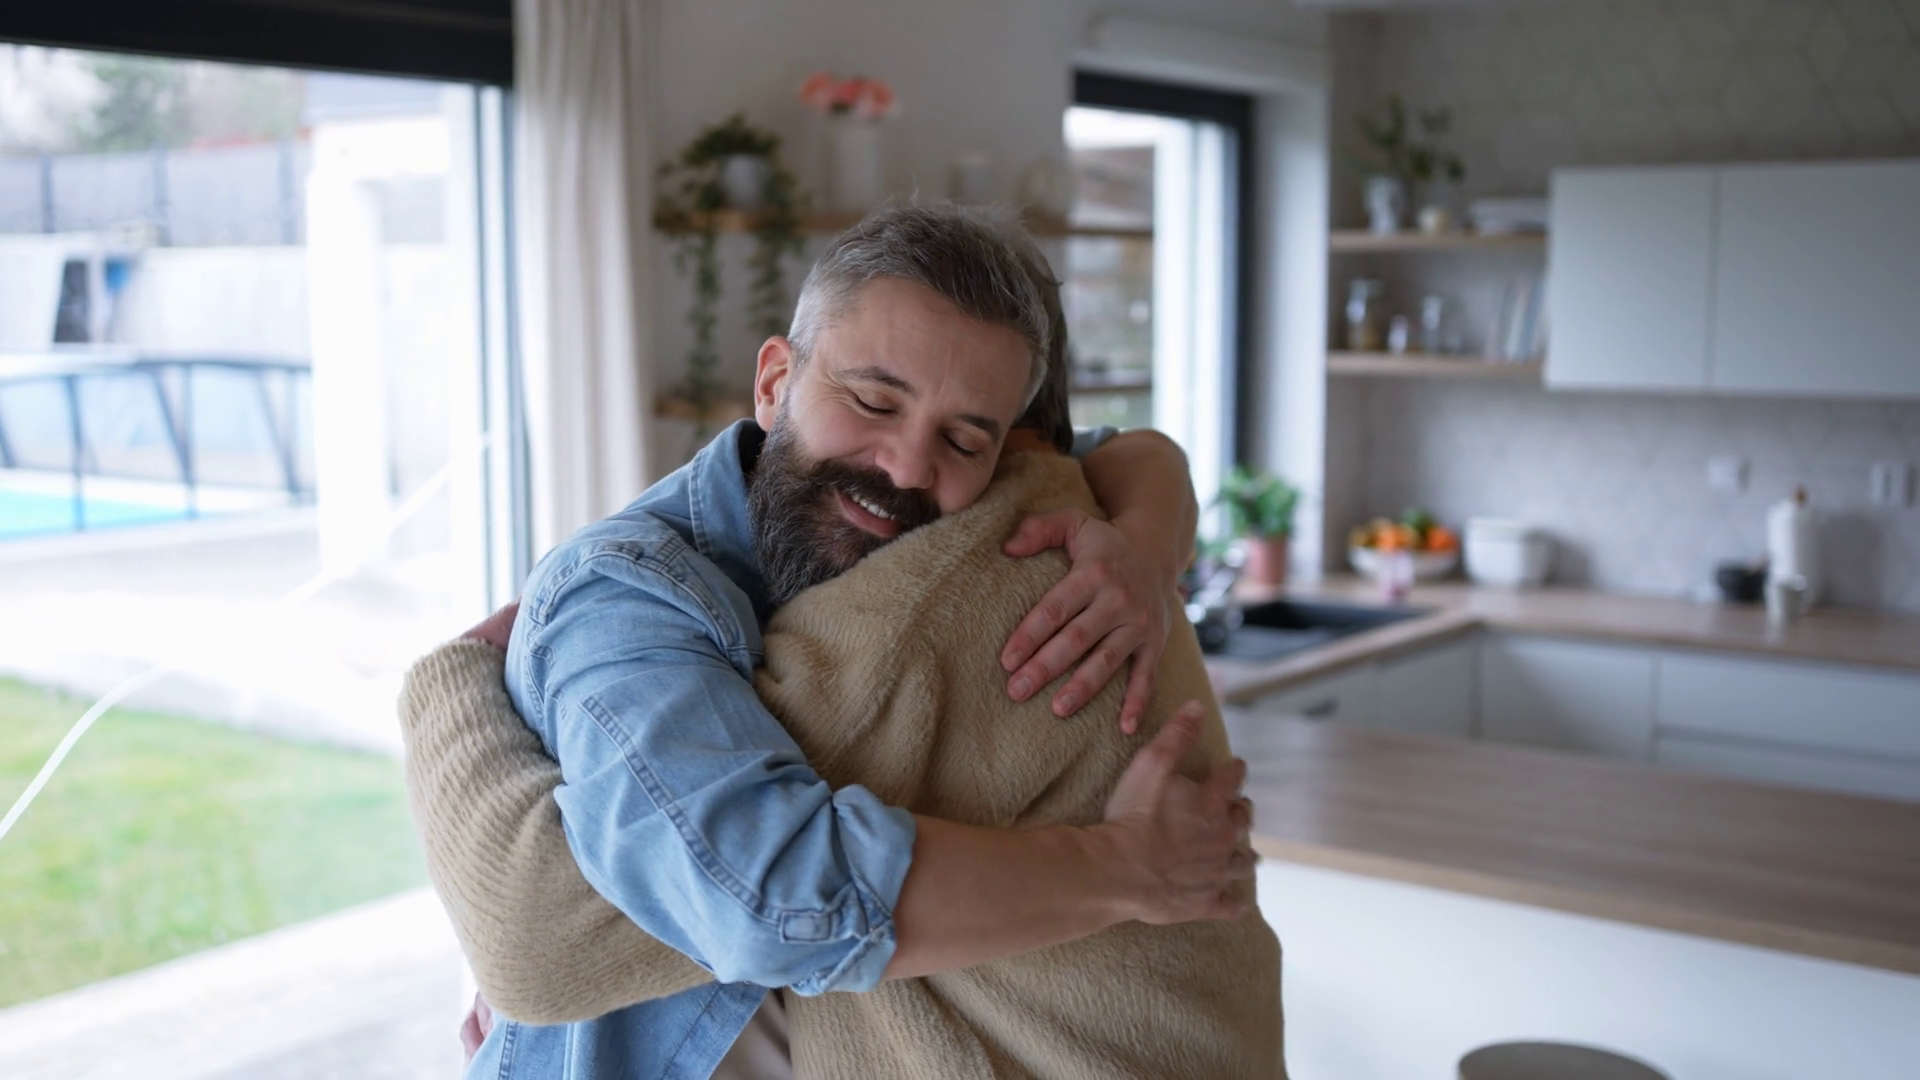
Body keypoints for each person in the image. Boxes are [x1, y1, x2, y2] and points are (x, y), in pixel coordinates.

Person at [401, 205, 1255, 1079]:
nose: (909, 465)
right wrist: (1125, 867)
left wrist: (1147, 545)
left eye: (964, 439)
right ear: (775, 383)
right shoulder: (630, 596)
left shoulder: (972, 545)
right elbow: (749, 903)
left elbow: (1125, 450)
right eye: (874, 401)